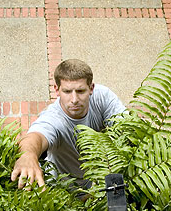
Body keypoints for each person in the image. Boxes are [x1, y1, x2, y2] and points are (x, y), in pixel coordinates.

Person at [10, 59, 126, 190]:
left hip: (98, 183)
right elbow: (36, 136)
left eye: (80, 91)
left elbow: (128, 128)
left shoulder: (102, 97)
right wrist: (28, 155)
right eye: (67, 91)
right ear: (57, 90)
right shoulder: (53, 119)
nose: (74, 100)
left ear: (91, 88)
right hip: (63, 191)